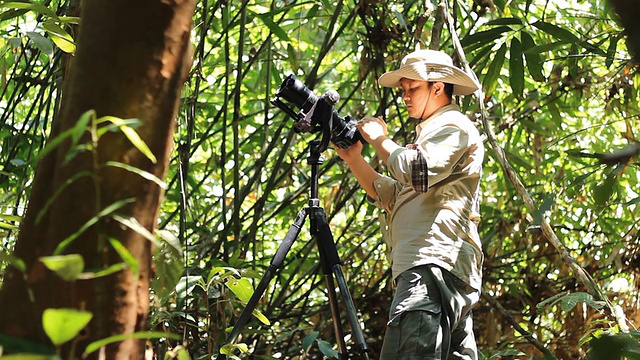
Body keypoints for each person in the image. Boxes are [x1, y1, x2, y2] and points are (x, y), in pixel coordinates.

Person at [333, 49, 484, 360]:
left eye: (412, 88)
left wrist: (379, 139)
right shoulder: (433, 132)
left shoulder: (453, 124)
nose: (405, 96)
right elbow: (395, 196)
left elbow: (418, 171)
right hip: (438, 265)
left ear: (438, 87)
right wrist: (355, 159)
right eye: (403, 89)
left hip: (431, 265)